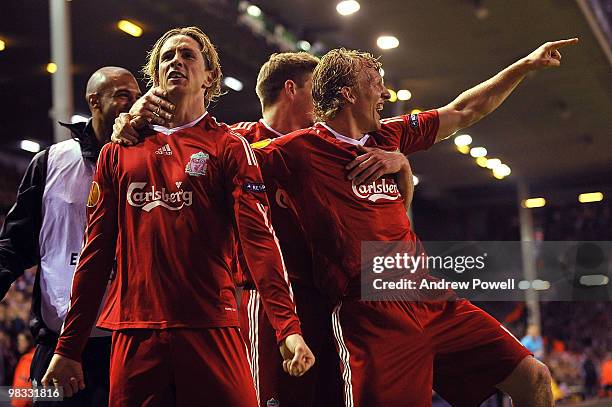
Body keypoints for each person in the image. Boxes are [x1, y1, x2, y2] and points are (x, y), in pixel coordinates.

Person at [250, 39, 577, 406]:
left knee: (535, 378)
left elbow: (464, 110)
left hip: (430, 296)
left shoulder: (389, 135)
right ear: (347, 93)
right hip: (372, 313)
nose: (385, 92)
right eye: (375, 82)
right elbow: (219, 153)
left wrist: (525, 65)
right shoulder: (295, 151)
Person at [112, 51, 415, 406]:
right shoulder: (239, 142)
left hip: (334, 299)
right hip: (262, 302)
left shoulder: (341, 147)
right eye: (314, 87)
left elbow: (459, 113)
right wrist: (131, 120)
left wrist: (402, 165)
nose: (323, 96)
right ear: (291, 90)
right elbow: (187, 141)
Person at [41, 27, 314, 406]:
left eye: (188, 56)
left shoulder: (229, 147)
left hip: (210, 326)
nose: (176, 62)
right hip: (135, 332)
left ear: (209, 78)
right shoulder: (118, 153)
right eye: (167, 57)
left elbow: (260, 243)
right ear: (154, 77)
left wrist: (287, 328)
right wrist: (68, 347)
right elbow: (95, 253)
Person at [0, 66, 141, 406]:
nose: (132, 105)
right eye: (122, 96)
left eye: (136, 97)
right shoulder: (49, 162)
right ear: (94, 101)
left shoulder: (151, 161)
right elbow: (15, 245)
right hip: (58, 346)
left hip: (130, 343)